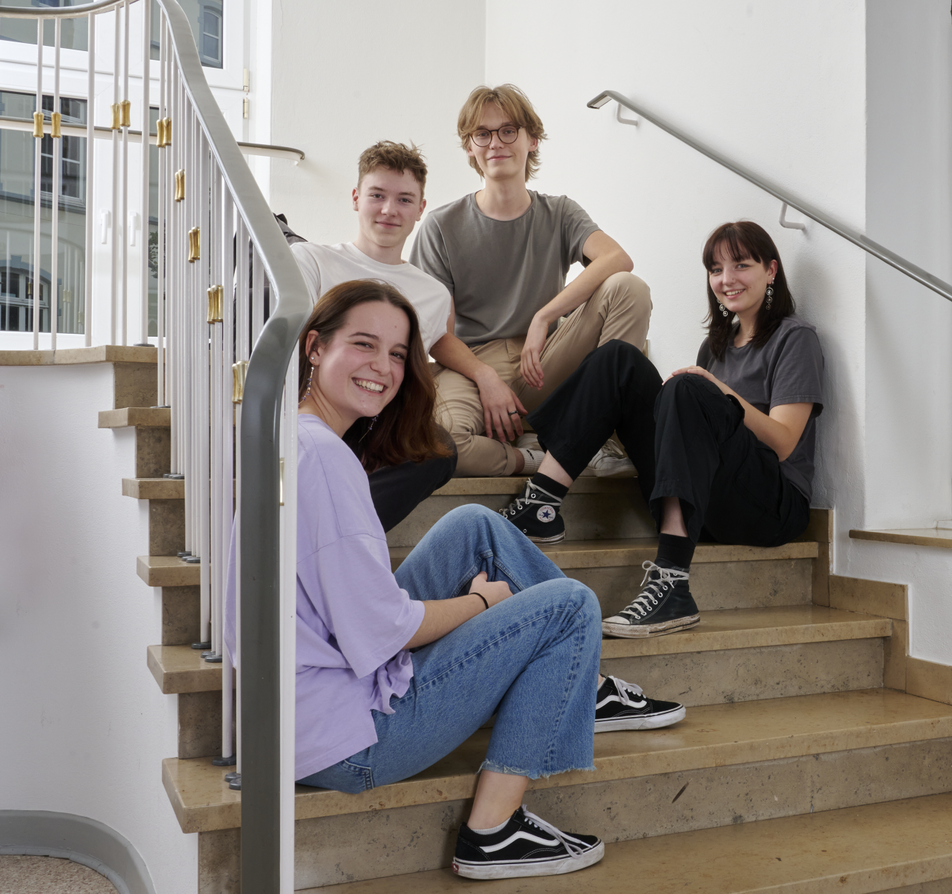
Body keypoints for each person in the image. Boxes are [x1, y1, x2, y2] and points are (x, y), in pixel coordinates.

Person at [224, 281, 678, 879]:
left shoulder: (296, 438)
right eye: (363, 344)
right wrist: (477, 601)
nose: (382, 368)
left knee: (472, 525)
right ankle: (493, 832)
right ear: (314, 348)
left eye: (395, 353)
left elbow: (349, 610)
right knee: (569, 606)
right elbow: (386, 630)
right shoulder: (327, 460)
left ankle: (579, 681)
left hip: (293, 717)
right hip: (348, 743)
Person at [498, 222, 824, 638]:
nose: (727, 280)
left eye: (741, 265)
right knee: (619, 358)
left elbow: (782, 443)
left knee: (689, 388)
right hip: (709, 501)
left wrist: (717, 391)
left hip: (772, 508)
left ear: (771, 270)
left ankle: (671, 585)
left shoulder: (795, 339)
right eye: (716, 269)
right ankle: (540, 505)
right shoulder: (716, 346)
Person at [410, 84, 652, 478]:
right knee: (443, 441)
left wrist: (544, 317)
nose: (495, 143)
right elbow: (437, 333)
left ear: (532, 140)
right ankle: (537, 454)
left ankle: (602, 427)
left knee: (628, 288)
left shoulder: (559, 213)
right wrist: (485, 376)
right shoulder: (440, 225)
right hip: (472, 367)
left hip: (547, 358)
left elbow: (616, 258)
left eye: (509, 130)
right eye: (482, 134)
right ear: (469, 147)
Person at [290, 140, 464, 532]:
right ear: (356, 198)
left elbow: (422, 362)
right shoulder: (312, 260)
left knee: (439, 450)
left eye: (404, 199)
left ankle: (346, 533)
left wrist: (486, 377)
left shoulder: (435, 294)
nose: (389, 209)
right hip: (314, 410)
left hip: (377, 420)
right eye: (377, 195)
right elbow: (295, 349)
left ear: (421, 209)